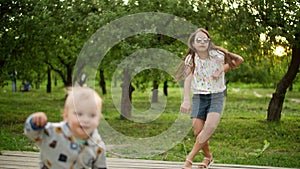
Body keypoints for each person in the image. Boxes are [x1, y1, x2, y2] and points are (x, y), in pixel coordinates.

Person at [175, 28, 244, 169]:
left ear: (209, 42)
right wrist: (186, 100)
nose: (202, 42)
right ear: (193, 44)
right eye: (198, 40)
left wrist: (222, 69)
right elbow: (188, 79)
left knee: (209, 128)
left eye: (205, 39)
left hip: (216, 96)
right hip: (199, 98)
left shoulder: (217, 55)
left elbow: (239, 60)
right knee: (197, 131)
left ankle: (189, 159)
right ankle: (208, 157)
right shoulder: (191, 58)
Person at [24, 87, 107, 169]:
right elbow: (32, 134)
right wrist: (35, 122)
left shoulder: (98, 146)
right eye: (79, 114)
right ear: (66, 115)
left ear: (99, 119)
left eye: (92, 115)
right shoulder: (54, 132)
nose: (85, 120)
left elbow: (100, 166)